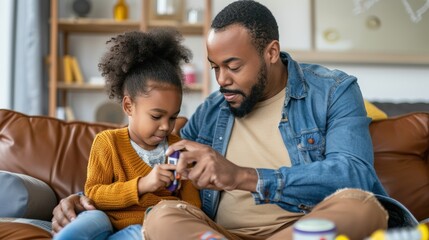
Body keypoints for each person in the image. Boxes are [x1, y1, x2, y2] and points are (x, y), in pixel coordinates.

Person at [52, 1, 418, 240]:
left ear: (271, 52)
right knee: (163, 218)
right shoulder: (213, 110)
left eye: (233, 66)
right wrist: (82, 200)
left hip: (299, 227)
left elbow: (353, 173)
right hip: (221, 233)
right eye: (214, 68)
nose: (221, 80)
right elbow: (158, 161)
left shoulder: (333, 91)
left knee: (361, 206)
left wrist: (242, 175)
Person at [52, 29, 200, 240]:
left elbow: (193, 206)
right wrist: (143, 185)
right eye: (156, 116)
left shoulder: (179, 149)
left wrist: (176, 202)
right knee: (74, 233)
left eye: (173, 117)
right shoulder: (107, 142)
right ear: (129, 106)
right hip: (102, 217)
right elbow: (94, 194)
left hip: (147, 228)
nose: (166, 127)